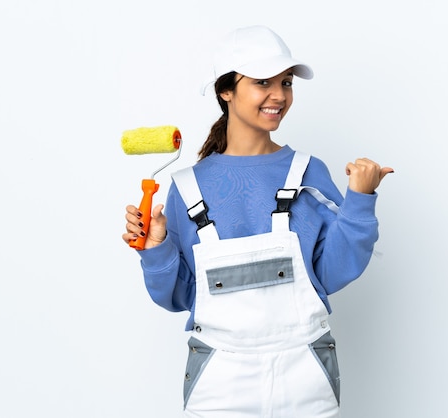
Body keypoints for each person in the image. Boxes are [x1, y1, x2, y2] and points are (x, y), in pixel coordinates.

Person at [122, 25, 393, 418]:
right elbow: (179, 297)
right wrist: (156, 249)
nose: (279, 95)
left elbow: (332, 273)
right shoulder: (187, 187)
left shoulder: (307, 172)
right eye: (262, 81)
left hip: (306, 374)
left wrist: (360, 201)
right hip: (219, 381)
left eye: (286, 82)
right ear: (225, 90)